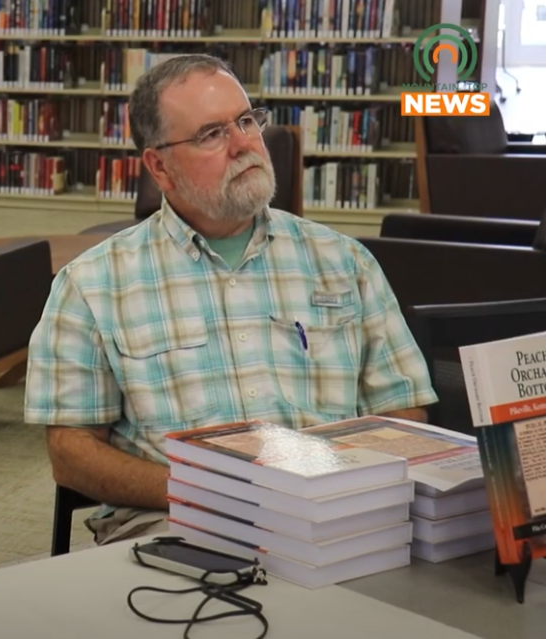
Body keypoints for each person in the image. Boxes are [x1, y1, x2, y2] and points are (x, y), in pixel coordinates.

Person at [23, 54, 438, 546]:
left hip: (336, 514)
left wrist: (336, 486)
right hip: (179, 519)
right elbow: (71, 452)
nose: (244, 144)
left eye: (245, 121)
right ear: (159, 166)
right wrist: (203, 492)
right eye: (211, 134)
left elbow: (403, 407)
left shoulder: (344, 261)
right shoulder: (92, 284)